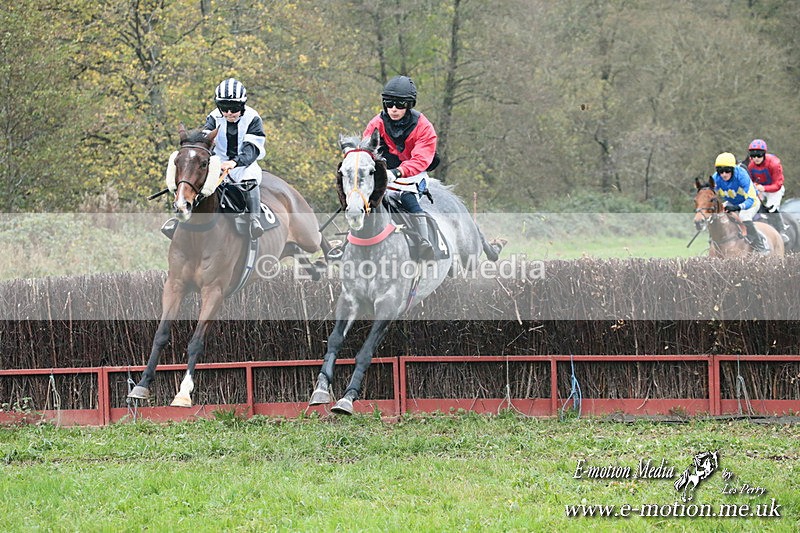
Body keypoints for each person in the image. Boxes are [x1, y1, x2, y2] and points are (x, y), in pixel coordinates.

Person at [363, 75, 438, 259]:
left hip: (413, 174)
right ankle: (350, 242)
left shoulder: (424, 127)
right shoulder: (376, 123)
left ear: (409, 105)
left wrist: (398, 172)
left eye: (400, 105)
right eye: (389, 103)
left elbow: (421, 159)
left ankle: (424, 243)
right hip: (385, 171)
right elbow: (366, 151)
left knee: (408, 199)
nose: (394, 109)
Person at [202, 78, 267, 239]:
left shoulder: (253, 118)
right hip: (219, 163)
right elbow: (205, 140)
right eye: (224, 108)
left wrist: (235, 162)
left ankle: (254, 220)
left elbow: (252, 148)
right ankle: (181, 217)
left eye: (234, 108)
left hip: (244, 164)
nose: (229, 113)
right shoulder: (213, 117)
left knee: (249, 178)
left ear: (242, 105)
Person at [712, 152, 768, 254]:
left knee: (744, 216)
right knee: (715, 214)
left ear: (733, 169)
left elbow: (751, 199)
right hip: (732, 202)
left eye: (727, 170)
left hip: (751, 202)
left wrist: (738, 207)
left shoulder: (742, 175)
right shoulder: (716, 177)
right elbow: (710, 193)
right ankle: (715, 241)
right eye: (720, 171)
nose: (724, 174)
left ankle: (760, 246)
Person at [746, 139, 788, 243]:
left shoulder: (774, 163)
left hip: (775, 189)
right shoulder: (750, 165)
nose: (756, 158)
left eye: (759, 155)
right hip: (761, 188)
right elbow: (750, 180)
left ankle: (782, 230)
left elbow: (778, 184)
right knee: (752, 204)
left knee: (771, 207)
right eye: (753, 155)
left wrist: (764, 188)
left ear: (764, 154)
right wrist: (756, 186)